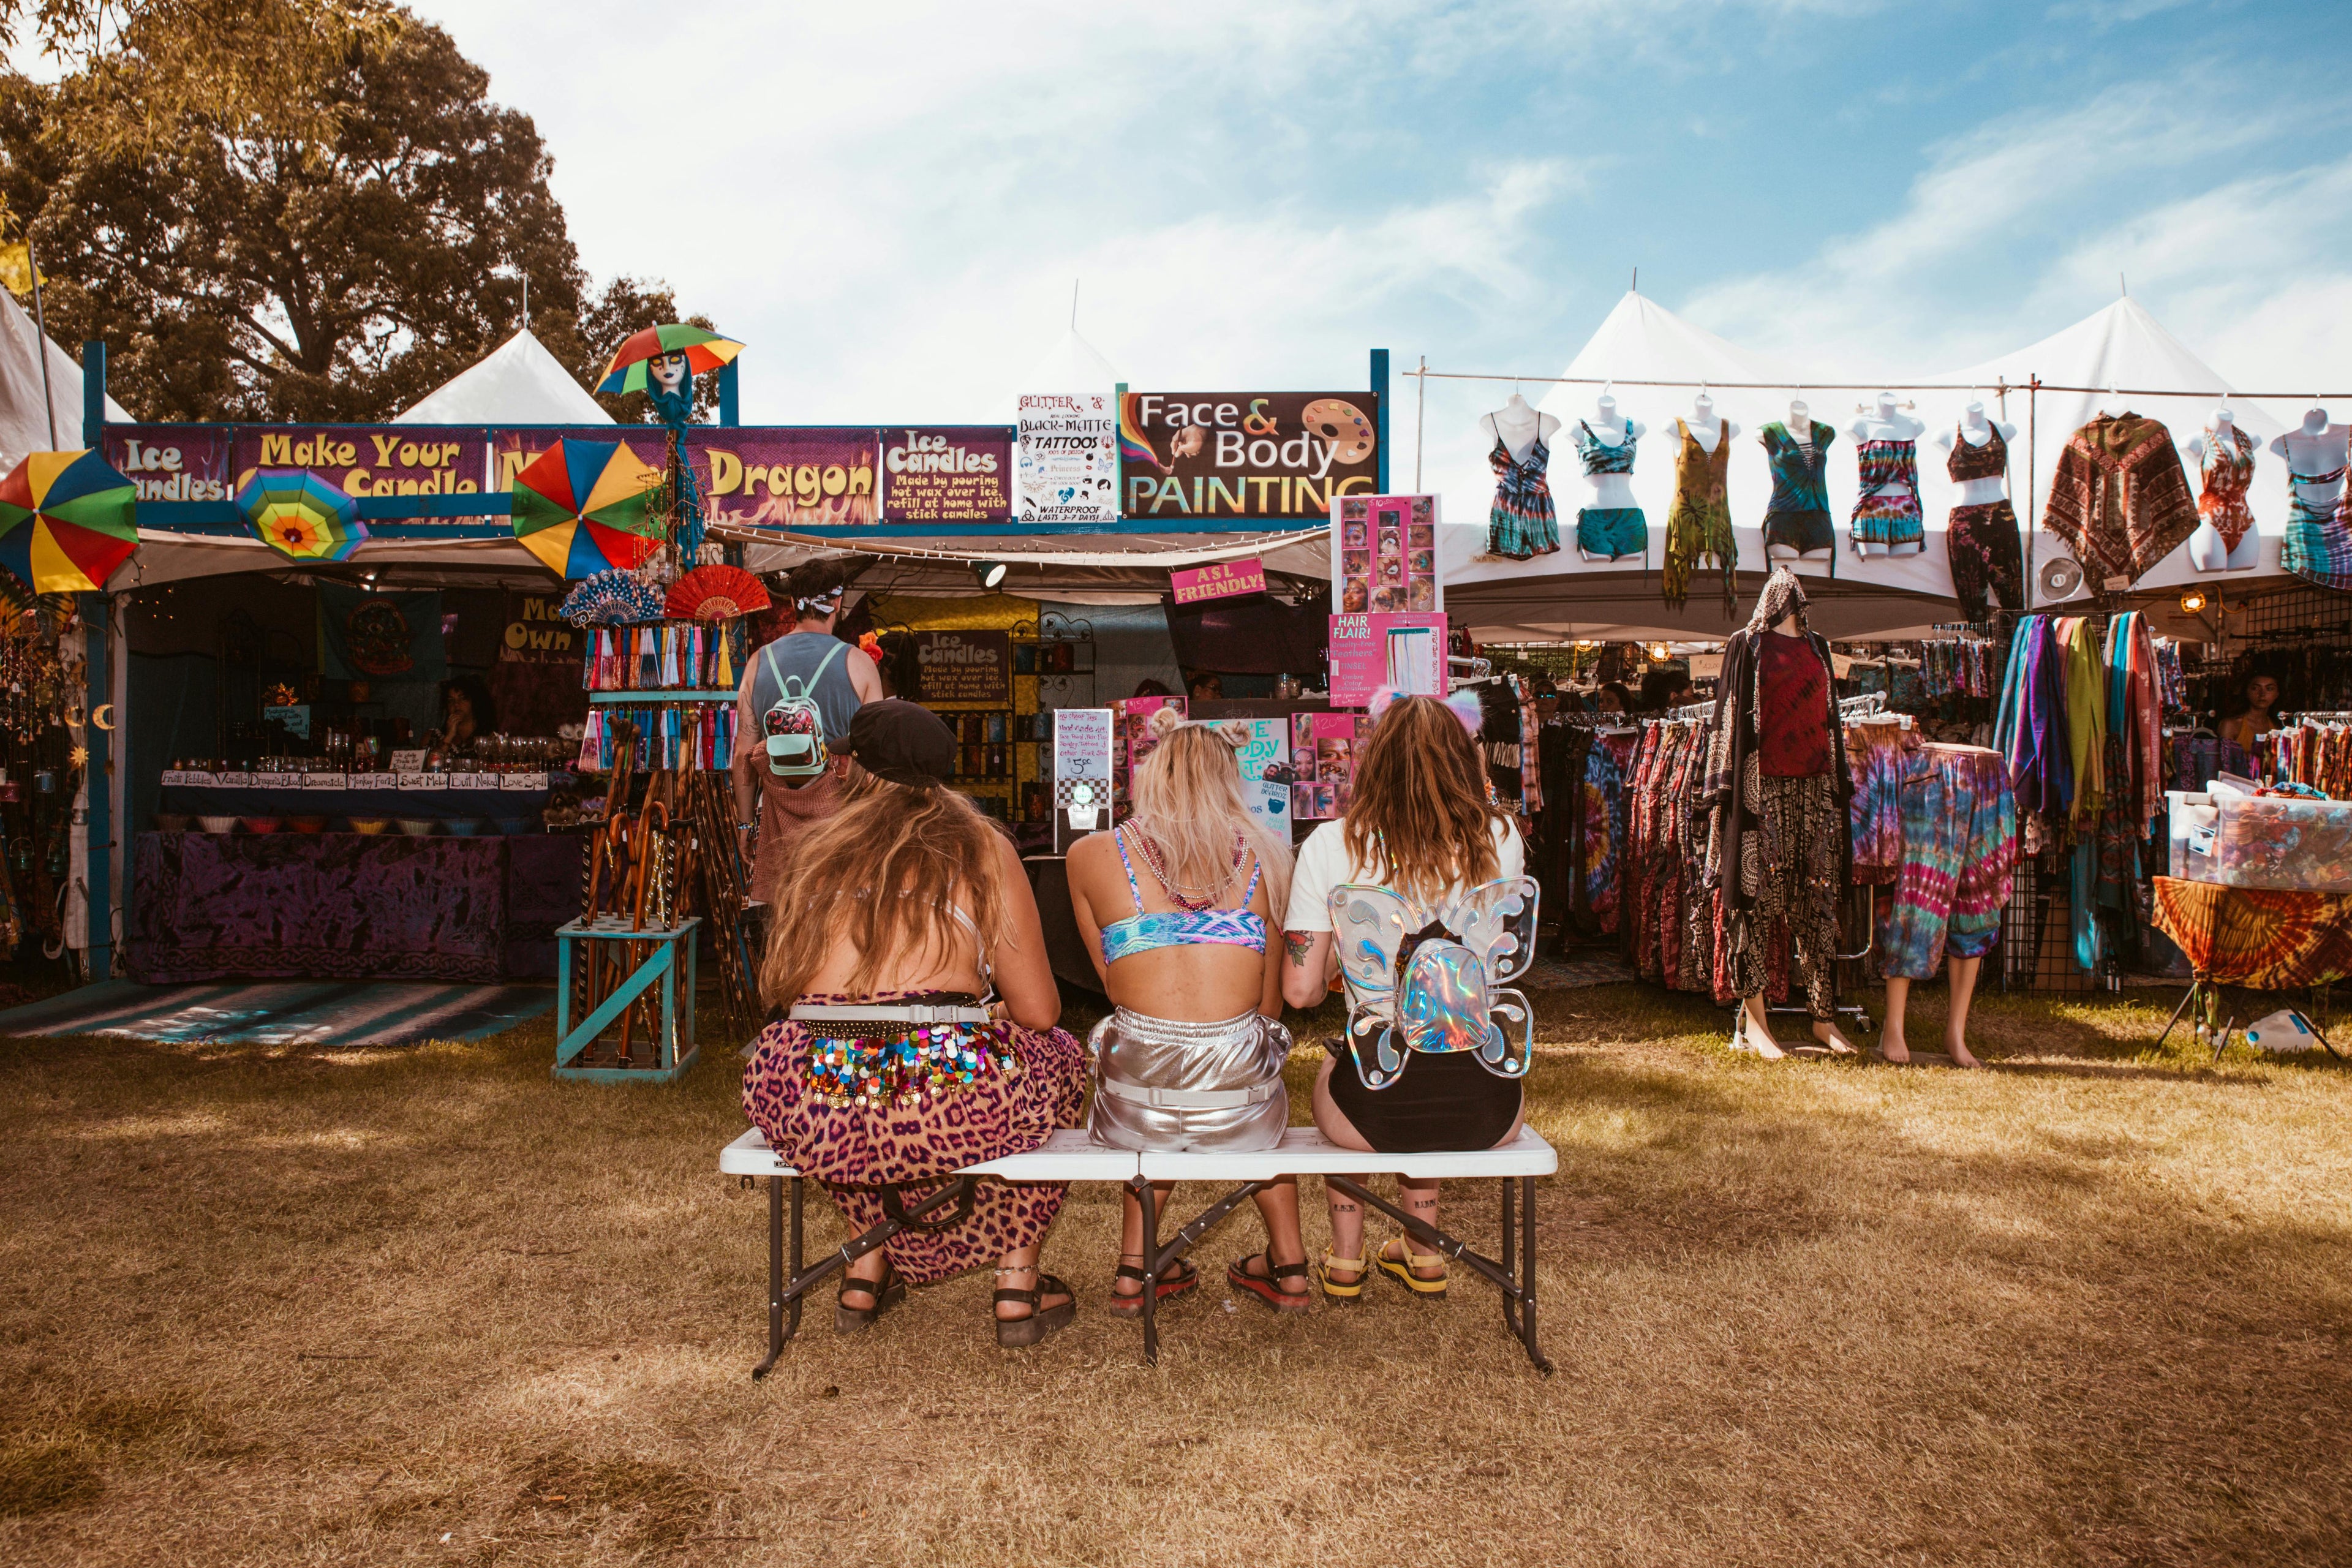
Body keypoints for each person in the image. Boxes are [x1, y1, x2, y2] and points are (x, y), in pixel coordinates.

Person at [741, 701, 1087, 1347]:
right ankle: (1017, 1282)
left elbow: (790, 990)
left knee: (863, 1078)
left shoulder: (817, 850)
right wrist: (978, 1010)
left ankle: (865, 1266)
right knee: (1060, 1055)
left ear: (856, 770)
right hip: (942, 1088)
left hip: (812, 1091)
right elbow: (1040, 1012)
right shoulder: (984, 848)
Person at [1282, 691, 1528, 1300]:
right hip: (1490, 1104)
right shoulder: (1501, 837)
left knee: (1346, 1055)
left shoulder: (1329, 845)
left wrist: (1344, 961)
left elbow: (1301, 990)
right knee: (1441, 1039)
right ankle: (1424, 1249)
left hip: (1369, 1110)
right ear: (1463, 762)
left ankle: (1345, 1260)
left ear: (1372, 763)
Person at [1066, 707, 1307, 1313]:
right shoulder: (1267, 856)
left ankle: (1134, 1270)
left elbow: (1113, 982)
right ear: (1230, 778)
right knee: (1255, 1070)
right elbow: (1269, 1005)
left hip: (1135, 1093)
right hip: (1243, 1095)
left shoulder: (1090, 854)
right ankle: (1291, 1266)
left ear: (1151, 772)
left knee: (1149, 1062)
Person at [732, 559, 885, 903]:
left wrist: (744, 824)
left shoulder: (757, 663)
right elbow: (876, 757)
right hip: (840, 828)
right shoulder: (859, 664)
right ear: (838, 603)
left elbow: (743, 755)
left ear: (792, 603)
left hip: (778, 827)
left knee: (786, 922)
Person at [2220, 670, 2283, 752]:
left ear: (2277, 694)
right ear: (2247, 692)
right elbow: (2225, 757)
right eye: (2255, 688)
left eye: (2269, 689)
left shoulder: (2278, 727)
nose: (2262, 694)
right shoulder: (2231, 725)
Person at [433, 673, 496, 753]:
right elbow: (432, 761)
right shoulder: (434, 737)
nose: (456, 704)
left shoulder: (490, 739)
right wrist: (449, 737)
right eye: (451, 701)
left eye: (463, 699)